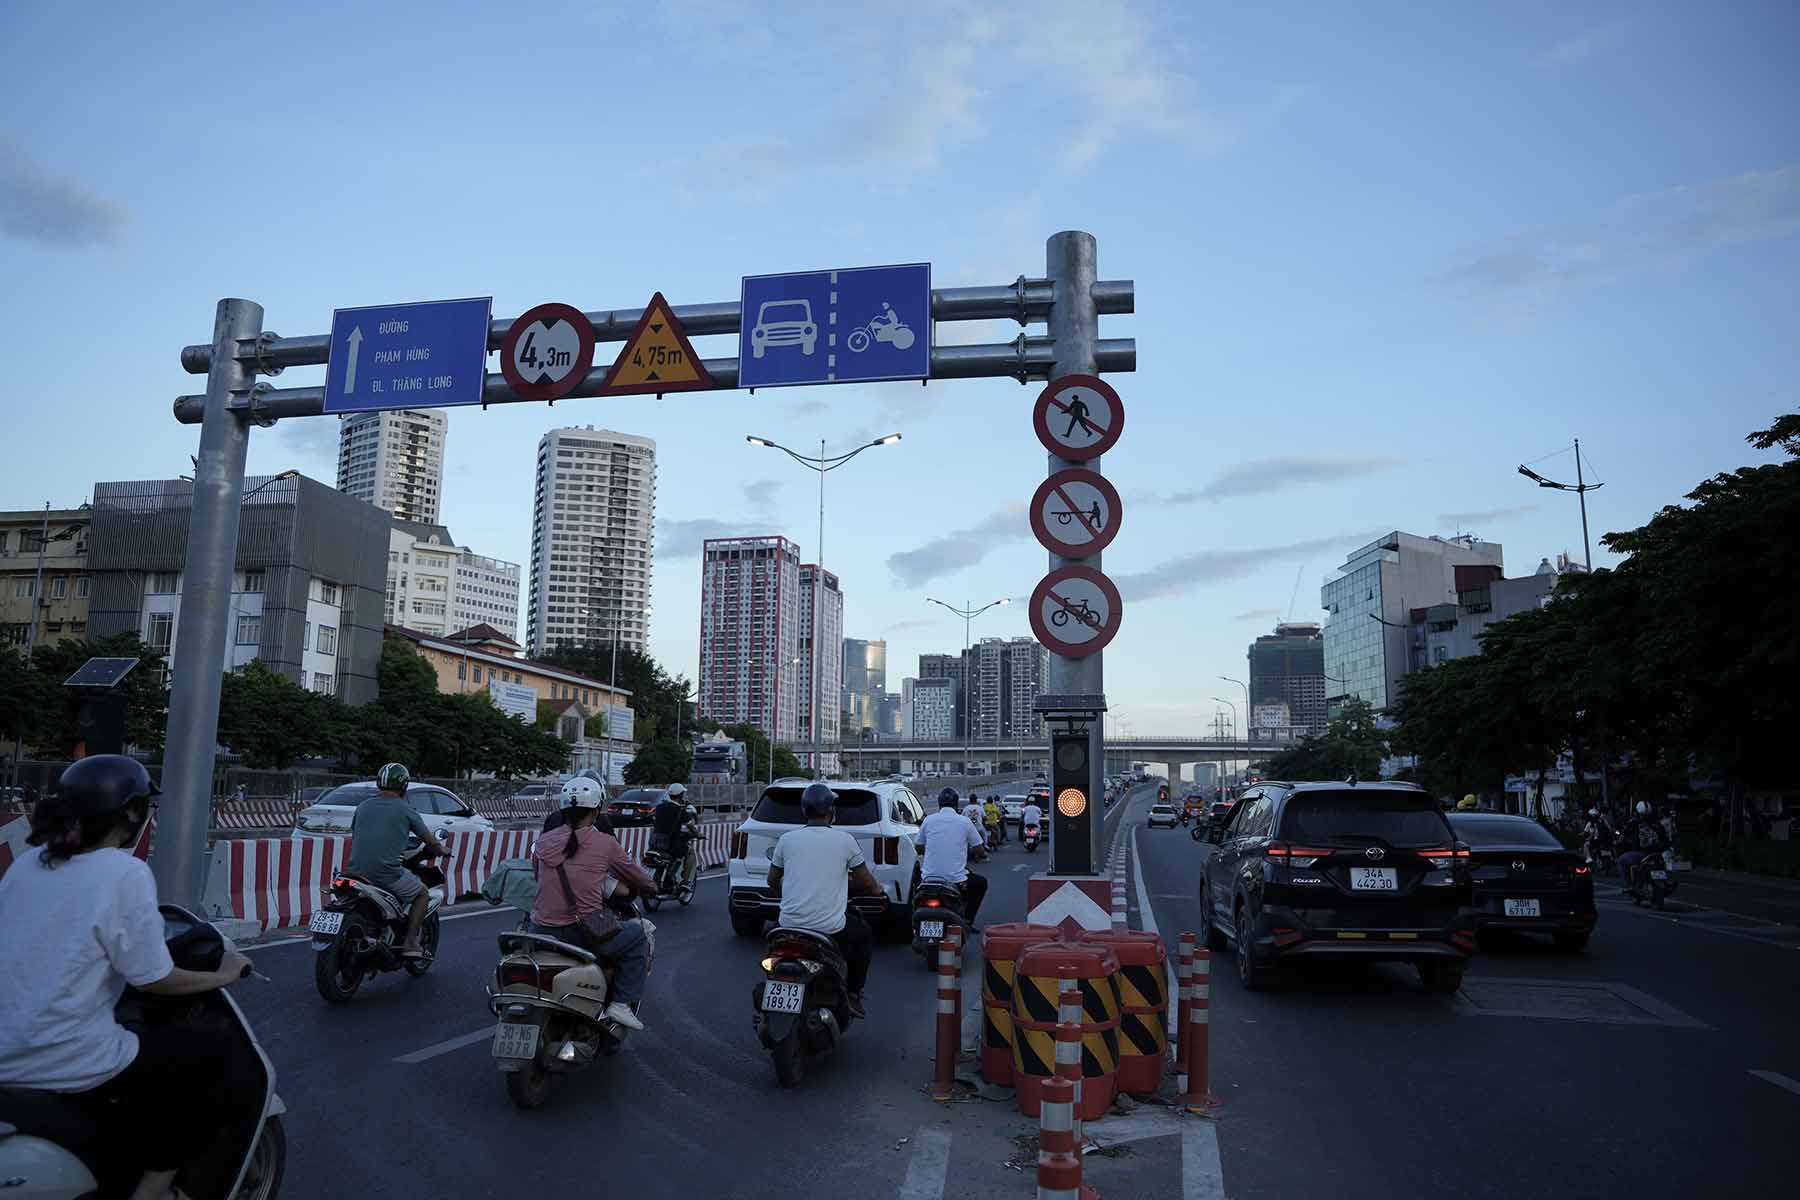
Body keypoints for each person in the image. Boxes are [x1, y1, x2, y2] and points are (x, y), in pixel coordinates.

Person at [0, 755, 259, 1200]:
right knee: (208, 1049)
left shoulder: (29, 863)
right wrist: (223, 975)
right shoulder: (125, 872)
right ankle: (155, 1188)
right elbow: (152, 979)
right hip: (62, 1060)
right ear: (132, 814)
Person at [529, 777, 656, 1031]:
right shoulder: (605, 843)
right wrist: (652, 888)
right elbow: (636, 876)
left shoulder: (544, 841)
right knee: (639, 935)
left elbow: (537, 875)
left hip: (540, 931)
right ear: (597, 810)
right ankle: (621, 1004)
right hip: (584, 931)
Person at [765, 782, 883, 1019]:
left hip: (788, 923)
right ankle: (852, 993)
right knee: (863, 934)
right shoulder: (845, 840)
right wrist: (877, 891)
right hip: (829, 927)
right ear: (831, 811)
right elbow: (867, 883)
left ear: (803, 811)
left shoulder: (787, 840)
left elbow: (772, 880)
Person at [344, 762, 449, 959]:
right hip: (386, 874)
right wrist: (441, 848)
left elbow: (358, 832)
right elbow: (430, 840)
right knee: (422, 894)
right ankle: (410, 942)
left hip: (355, 872)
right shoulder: (405, 809)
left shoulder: (363, 806)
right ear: (404, 786)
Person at [917, 787, 989, 929]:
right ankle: (967, 921)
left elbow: (918, 847)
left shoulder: (928, 820)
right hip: (955, 880)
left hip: (928, 878)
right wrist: (982, 854)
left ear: (939, 804)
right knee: (981, 883)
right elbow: (979, 849)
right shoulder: (965, 822)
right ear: (956, 804)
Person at [651, 782, 701, 890]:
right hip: (670, 845)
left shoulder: (659, 807)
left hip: (654, 843)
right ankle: (685, 882)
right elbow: (691, 827)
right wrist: (698, 834)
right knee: (690, 852)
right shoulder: (680, 811)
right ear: (681, 795)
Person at [1616, 800, 1671, 890]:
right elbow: (1664, 837)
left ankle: (1628, 886)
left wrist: (1617, 842)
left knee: (1621, 860)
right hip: (1657, 854)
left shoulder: (1633, 823)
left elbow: (1622, 837)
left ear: (1637, 811)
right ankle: (1664, 881)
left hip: (1640, 854)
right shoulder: (1657, 823)